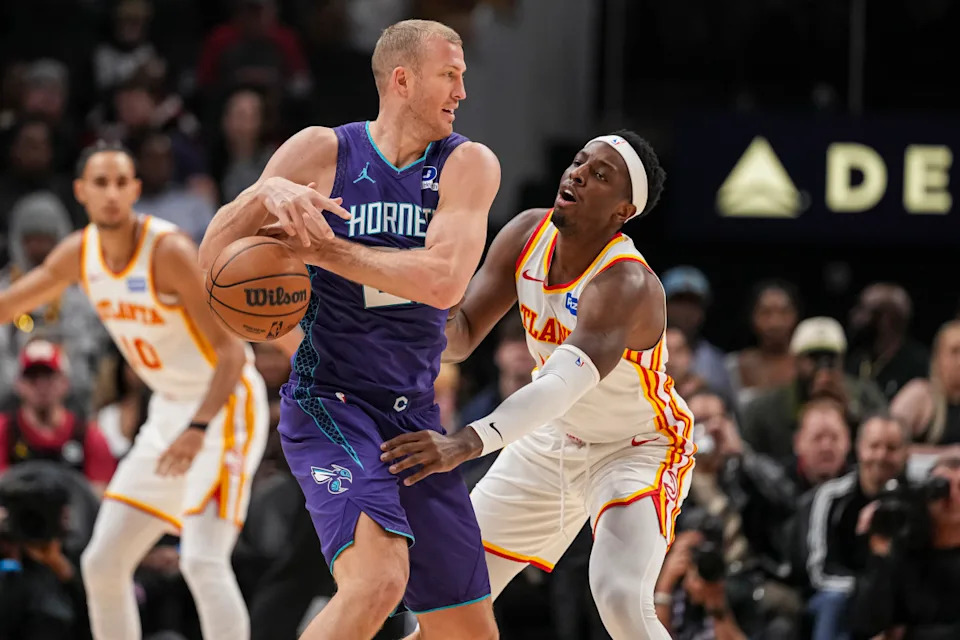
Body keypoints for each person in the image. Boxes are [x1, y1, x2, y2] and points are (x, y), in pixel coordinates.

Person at [198, 19, 501, 640]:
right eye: (450, 74)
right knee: (378, 582)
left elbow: (444, 282)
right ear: (402, 79)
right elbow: (212, 265)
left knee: (469, 633)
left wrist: (324, 250)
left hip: (413, 414)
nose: (462, 91)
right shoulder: (319, 151)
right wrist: (264, 196)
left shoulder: (468, 163)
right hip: (328, 400)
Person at [380, 131, 695, 639]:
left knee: (617, 596)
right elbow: (459, 336)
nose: (577, 174)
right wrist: (387, 296)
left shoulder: (625, 283)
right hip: (553, 439)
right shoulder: (528, 231)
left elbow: (561, 385)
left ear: (623, 210)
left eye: (600, 175)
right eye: (578, 162)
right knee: (447, 598)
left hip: (633, 448)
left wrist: (465, 442)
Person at [0, 140, 270, 640]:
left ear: (135, 190)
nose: (111, 193)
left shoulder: (167, 253)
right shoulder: (79, 253)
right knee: (104, 561)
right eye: (100, 182)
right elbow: (10, 301)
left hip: (225, 404)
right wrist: (181, 424)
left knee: (203, 559)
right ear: (80, 191)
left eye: (121, 182)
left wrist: (198, 428)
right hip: (170, 409)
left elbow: (232, 354)